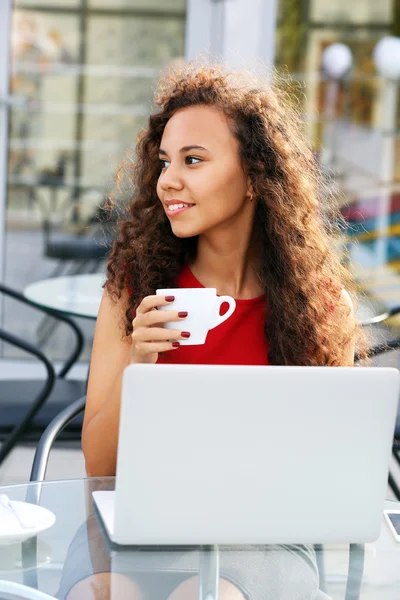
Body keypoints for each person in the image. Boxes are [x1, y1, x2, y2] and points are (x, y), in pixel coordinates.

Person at [60, 62, 368, 600]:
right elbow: (99, 467)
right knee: (103, 593)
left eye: (194, 160)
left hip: (261, 538)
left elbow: (328, 472)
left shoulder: (315, 302)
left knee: (210, 595)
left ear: (253, 176)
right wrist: (140, 361)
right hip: (136, 521)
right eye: (164, 162)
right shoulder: (134, 289)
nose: (167, 181)